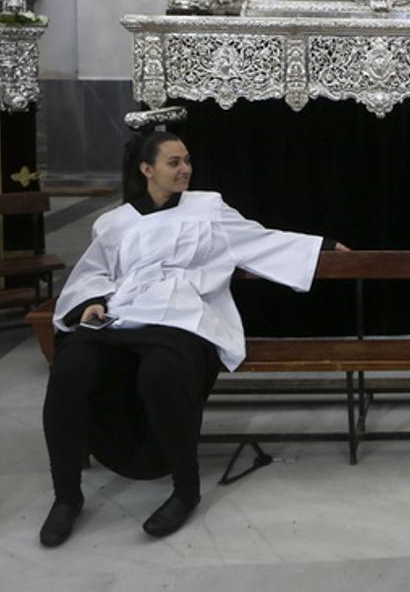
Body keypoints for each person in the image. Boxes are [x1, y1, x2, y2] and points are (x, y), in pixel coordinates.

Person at [39, 131, 348, 547]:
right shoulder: (113, 223)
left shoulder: (209, 208)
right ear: (147, 169)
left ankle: (185, 490)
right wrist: (91, 300)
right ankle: (66, 497)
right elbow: (94, 272)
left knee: (161, 371)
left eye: (186, 160)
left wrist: (322, 246)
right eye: (173, 162)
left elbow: (259, 239)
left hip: (185, 314)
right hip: (123, 314)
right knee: (69, 371)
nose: (185, 168)